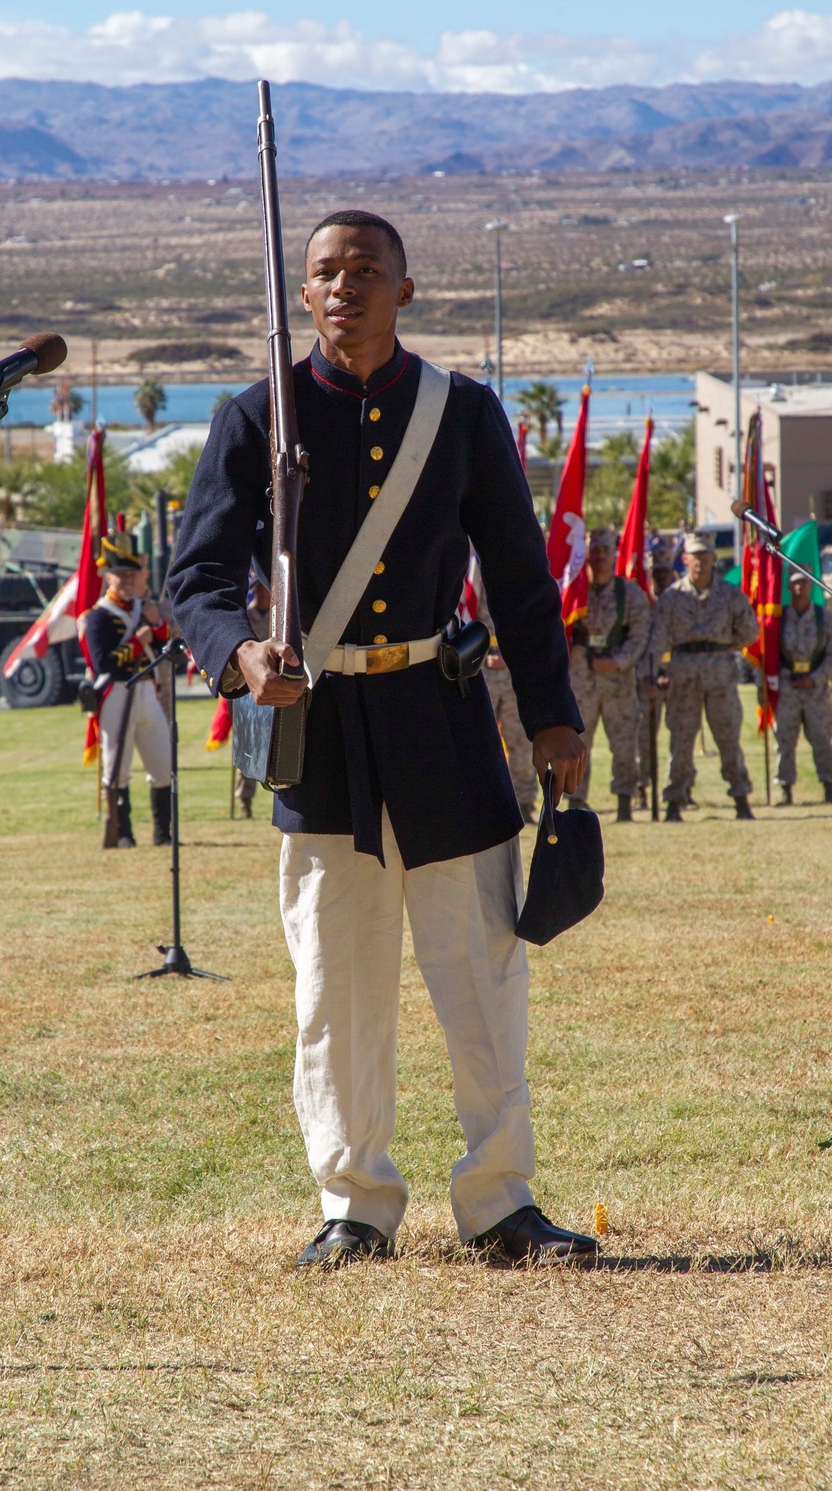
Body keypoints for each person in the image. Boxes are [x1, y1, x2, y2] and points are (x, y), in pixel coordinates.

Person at [168, 209, 597, 1268]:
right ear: (300, 296)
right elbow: (197, 581)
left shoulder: (461, 414)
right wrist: (237, 656)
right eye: (323, 273)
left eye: (366, 270)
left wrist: (550, 714)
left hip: (445, 727)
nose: (344, 286)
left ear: (406, 288)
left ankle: (500, 1204)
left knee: (483, 984)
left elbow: (520, 576)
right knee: (334, 991)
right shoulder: (254, 417)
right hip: (320, 741)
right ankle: (354, 1205)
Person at [649, 529, 759, 822]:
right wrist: (653, 671)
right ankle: (674, 801)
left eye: (705, 556)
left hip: (721, 676)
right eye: (694, 556)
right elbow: (658, 639)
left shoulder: (731, 594)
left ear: (713, 558)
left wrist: (725, 647)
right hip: (683, 676)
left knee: (729, 740)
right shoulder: (672, 598)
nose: (699, 561)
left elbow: (750, 630)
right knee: (681, 742)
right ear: (685, 559)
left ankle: (741, 798)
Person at [86, 521, 172, 849]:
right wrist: (137, 643)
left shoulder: (143, 609)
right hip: (117, 693)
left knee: (162, 764)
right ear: (108, 577)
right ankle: (122, 833)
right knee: (117, 768)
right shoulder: (98, 616)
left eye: (131, 574)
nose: (127, 580)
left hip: (148, 688)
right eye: (121, 574)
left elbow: (164, 645)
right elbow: (101, 664)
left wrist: (156, 624)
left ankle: (163, 833)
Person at [567, 528, 650, 822]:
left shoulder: (629, 593)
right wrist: (573, 652)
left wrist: (617, 661)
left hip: (618, 680)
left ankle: (625, 802)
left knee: (625, 742)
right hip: (582, 679)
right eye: (595, 551)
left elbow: (640, 635)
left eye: (605, 551)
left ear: (615, 554)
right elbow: (560, 628)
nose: (600, 556)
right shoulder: (574, 592)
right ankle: (575, 802)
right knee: (576, 743)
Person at [480, 588, 538, 824]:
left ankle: (524, 803)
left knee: (520, 740)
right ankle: (483, 804)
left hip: (515, 673)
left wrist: (511, 654)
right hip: (480, 672)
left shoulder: (514, 578)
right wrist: (483, 656)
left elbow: (533, 627)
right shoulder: (469, 577)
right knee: (481, 741)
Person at [774, 571, 832, 806]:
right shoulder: (779, 619)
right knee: (785, 740)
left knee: (822, 739)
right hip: (788, 686)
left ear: (810, 585)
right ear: (788, 587)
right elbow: (770, 656)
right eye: (795, 583)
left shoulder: (824, 618)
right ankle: (785, 790)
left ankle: (829, 785)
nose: (799, 588)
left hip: (816, 690)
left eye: (803, 583)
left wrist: (816, 679)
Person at [635, 543, 677, 810]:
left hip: (677, 678)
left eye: (665, 571)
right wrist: (651, 675)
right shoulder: (642, 602)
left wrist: (669, 673)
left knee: (681, 734)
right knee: (643, 736)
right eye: (656, 572)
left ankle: (678, 786)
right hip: (646, 678)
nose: (660, 576)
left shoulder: (678, 601)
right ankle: (642, 787)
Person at [234, 580, 271, 819]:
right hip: (249, 692)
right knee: (249, 746)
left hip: (281, 688)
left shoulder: (283, 615)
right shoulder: (244, 617)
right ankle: (245, 800)